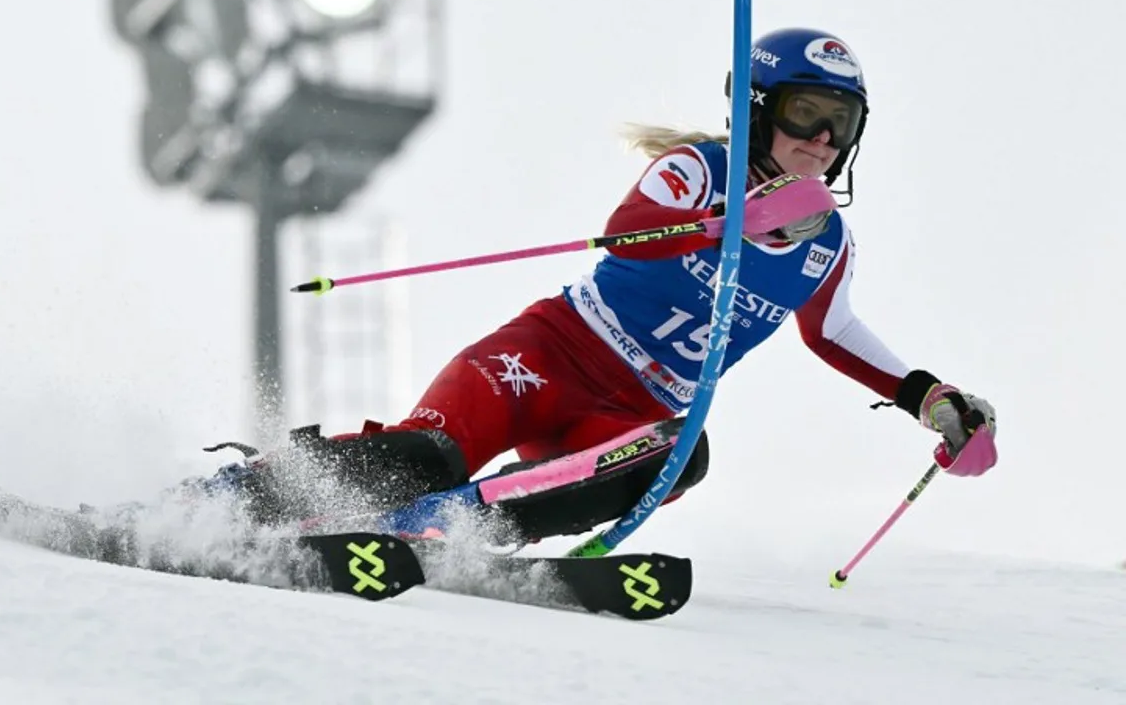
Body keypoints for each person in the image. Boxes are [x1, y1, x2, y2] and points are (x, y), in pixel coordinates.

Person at [207, 27, 998, 542]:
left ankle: (446, 532)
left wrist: (929, 396)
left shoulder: (827, 244)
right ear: (759, 110)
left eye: (843, 124)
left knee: (684, 455)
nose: (823, 141)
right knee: (429, 453)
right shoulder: (699, 169)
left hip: (632, 414)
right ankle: (224, 503)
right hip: (549, 356)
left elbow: (832, 332)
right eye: (806, 113)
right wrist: (730, 224)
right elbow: (628, 230)